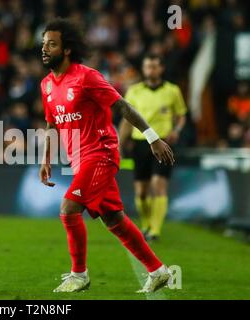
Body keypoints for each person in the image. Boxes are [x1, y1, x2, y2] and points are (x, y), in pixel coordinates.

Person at [39, 18, 175, 293]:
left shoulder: (87, 77)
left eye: (51, 44)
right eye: (43, 44)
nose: (44, 49)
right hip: (79, 161)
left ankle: (79, 275)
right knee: (114, 220)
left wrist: (152, 137)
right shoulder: (47, 86)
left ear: (66, 50)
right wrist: (46, 159)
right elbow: (52, 125)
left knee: (68, 210)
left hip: (100, 153)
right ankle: (158, 270)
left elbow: (123, 106)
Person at [120, 54, 187, 241]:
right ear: (143, 69)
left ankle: (155, 230)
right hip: (140, 143)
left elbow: (181, 115)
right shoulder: (134, 91)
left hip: (163, 142)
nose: (151, 70)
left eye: (154, 66)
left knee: (159, 184)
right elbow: (127, 119)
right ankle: (147, 223)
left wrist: (177, 130)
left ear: (161, 69)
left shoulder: (172, 91)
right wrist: (119, 142)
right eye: (148, 66)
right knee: (141, 191)